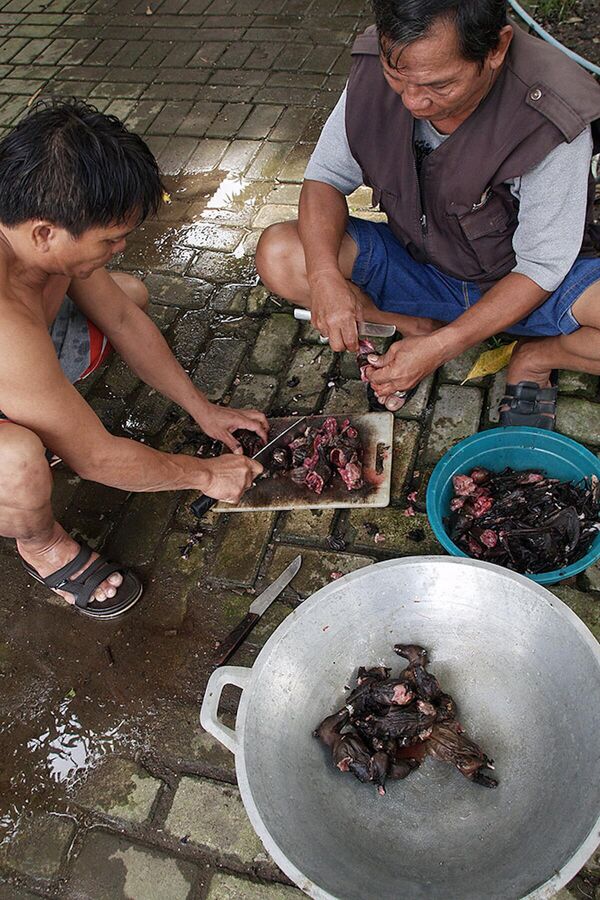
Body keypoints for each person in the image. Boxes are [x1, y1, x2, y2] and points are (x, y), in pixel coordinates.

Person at [256, 0, 600, 427]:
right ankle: (418, 326)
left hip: (526, 283)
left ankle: (538, 356)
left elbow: (543, 266)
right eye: (396, 78)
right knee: (282, 253)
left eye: (439, 85)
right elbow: (325, 178)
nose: (415, 102)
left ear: (496, 49)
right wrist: (325, 277)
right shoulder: (383, 66)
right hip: (422, 265)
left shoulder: (552, 113)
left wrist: (446, 348)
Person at [0, 99, 266, 619]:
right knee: (19, 459)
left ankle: (39, 407)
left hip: (19, 358)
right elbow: (95, 458)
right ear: (44, 233)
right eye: (111, 238)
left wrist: (203, 409)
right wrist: (206, 476)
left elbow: (121, 318)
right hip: (12, 363)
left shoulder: (35, 233)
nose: (121, 247)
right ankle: (40, 544)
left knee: (128, 293)